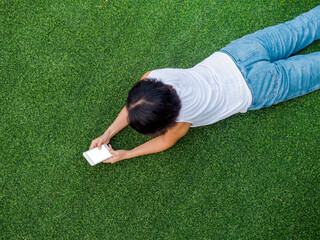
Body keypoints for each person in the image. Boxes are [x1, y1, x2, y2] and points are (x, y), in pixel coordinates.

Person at [89, 6, 320, 164]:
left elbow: (166, 141)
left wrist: (126, 154)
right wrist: (108, 132)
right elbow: (138, 104)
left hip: (258, 87)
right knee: (303, 26)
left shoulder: (181, 119)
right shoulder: (154, 75)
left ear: (168, 119)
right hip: (240, 53)